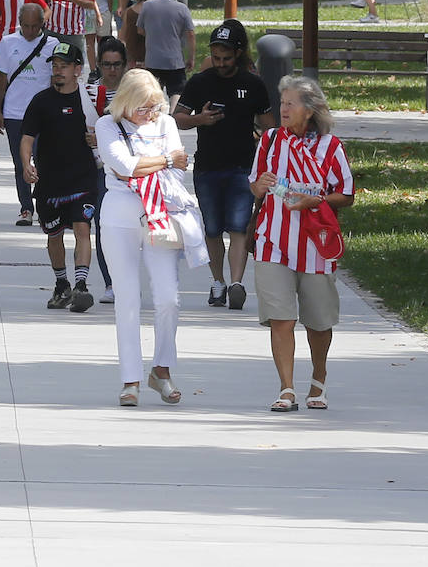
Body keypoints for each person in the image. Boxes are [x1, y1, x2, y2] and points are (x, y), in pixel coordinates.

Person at [95, 69, 208, 407]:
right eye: (143, 108)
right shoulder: (107, 125)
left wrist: (152, 164)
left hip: (162, 214)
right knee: (127, 298)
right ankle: (130, 379)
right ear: (125, 102)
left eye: (155, 107)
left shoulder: (166, 123)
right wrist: (162, 160)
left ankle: (162, 369)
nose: (150, 115)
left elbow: (179, 166)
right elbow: (123, 166)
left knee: (168, 297)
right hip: (120, 215)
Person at [250, 76, 354, 413]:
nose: (283, 108)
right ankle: (286, 388)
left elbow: (346, 195)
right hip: (272, 241)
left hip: (315, 244)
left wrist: (316, 200)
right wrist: (262, 185)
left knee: (318, 322)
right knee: (280, 318)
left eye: (291, 103)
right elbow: (255, 187)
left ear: (309, 110)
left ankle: (318, 378)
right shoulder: (268, 141)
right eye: (282, 102)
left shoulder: (330, 147)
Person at [174, 21, 274, 310]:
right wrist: (199, 120)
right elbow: (177, 117)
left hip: (244, 167)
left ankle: (237, 283)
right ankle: (218, 282)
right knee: (213, 228)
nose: (220, 64)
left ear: (238, 54)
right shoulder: (200, 82)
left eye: (226, 59)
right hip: (207, 166)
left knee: (240, 226)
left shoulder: (253, 84)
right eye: (216, 58)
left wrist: (264, 146)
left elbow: (270, 128)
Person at [21, 42, 101, 313]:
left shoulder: (90, 100)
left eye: (64, 66)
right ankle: (62, 284)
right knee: (54, 235)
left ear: (78, 69)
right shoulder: (41, 101)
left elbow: (113, 128)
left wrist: (98, 138)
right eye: (55, 66)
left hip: (83, 179)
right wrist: (25, 164)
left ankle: (81, 286)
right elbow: (27, 137)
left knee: (82, 228)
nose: (58, 71)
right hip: (50, 182)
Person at [0, 3, 58, 226]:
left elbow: (55, 80)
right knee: (21, 163)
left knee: (44, 161)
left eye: (34, 26)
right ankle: (26, 208)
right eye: (26, 26)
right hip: (14, 113)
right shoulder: (8, 42)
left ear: (42, 24)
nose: (30, 31)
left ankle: (44, 205)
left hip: (43, 115)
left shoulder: (52, 44)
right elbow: (1, 79)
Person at [87, 37, 128, 304]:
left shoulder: (135, 93)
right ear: (99, 64)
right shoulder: (88, 92)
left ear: (125, 65)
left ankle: (126, 279)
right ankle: (110, 283)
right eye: (106, 64)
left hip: (126, 169)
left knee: (127, 229)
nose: (111, 70)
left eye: (116, 65)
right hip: (96, 170)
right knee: (102, 226)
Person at [138, 0, 197, 97]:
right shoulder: (182, 8)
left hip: (153, 61)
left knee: (153, 94)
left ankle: (156, 114)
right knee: (177, 92)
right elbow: (190, 34)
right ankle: (174, 114)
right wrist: (191, 58)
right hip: (174, 61)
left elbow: (140, 30)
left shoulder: (147, 6)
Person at [120, 0, 157, 68]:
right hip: (149, 58)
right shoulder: (154, 11)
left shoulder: (129, 11)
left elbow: (122, 35)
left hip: (131, 58)